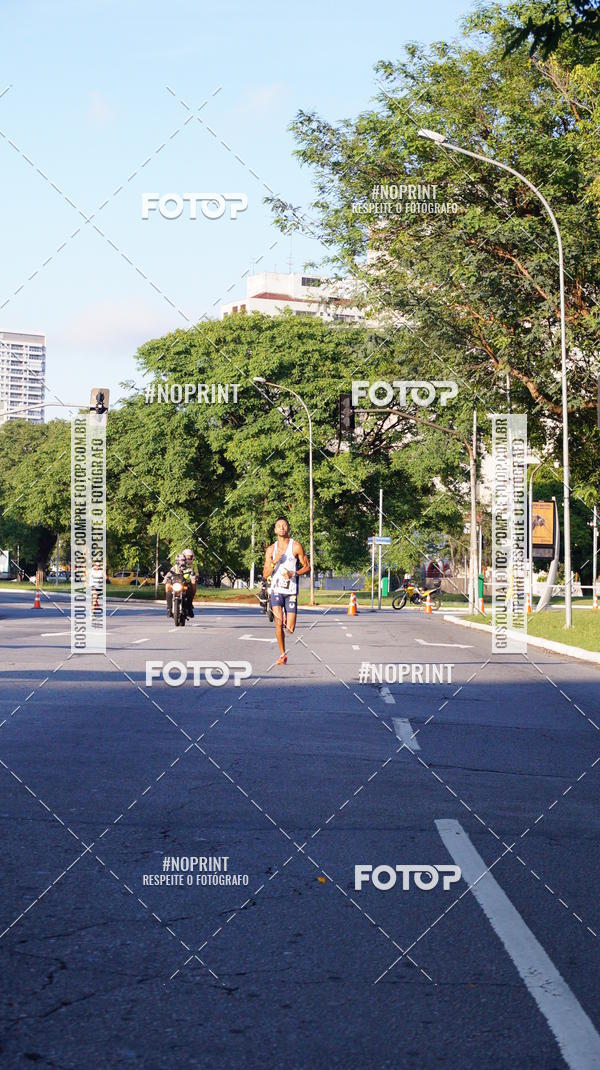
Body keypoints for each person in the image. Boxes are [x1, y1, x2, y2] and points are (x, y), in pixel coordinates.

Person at [263, 516, 310, 665]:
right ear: (275, 530)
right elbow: (265, 574)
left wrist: (294, 573)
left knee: (289, 629)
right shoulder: (271, 549)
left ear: (288, 528)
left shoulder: (296, 546)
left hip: (291, 591)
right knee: (278, 623)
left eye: (284, 525)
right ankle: (282, 654)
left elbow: (307, 567)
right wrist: (274, 562)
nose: (282, 527)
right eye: (279, 525)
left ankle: (283, 620)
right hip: (276, 590)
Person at [164, 552, 196, 619]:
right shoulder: (174, 568)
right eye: (181, 560)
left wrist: (193, 578)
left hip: (185, 585)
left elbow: (192, 576)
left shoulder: (189, 569)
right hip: (175, 585)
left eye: (184, 560)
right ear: (177, 561)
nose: (183, 562)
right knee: (169, 592)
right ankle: (169, 609)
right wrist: (165, 579)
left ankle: (189, 608)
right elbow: (168, 575)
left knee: (190, 592)